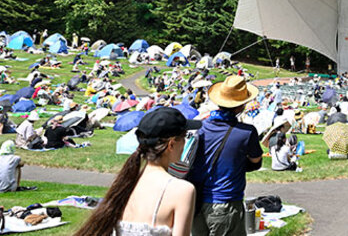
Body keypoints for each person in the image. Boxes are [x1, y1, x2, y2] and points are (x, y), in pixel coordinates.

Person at [76, 107, 199, 236]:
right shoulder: (182, 190)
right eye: (184, 138)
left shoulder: (127, 182)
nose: (185, 143)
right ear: (171, 144)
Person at [189, 76, 263, 236]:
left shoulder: (200, 127)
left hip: (196, 203)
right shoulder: (246, 132)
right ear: (241, 105)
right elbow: (256, 161)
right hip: (226, 202)